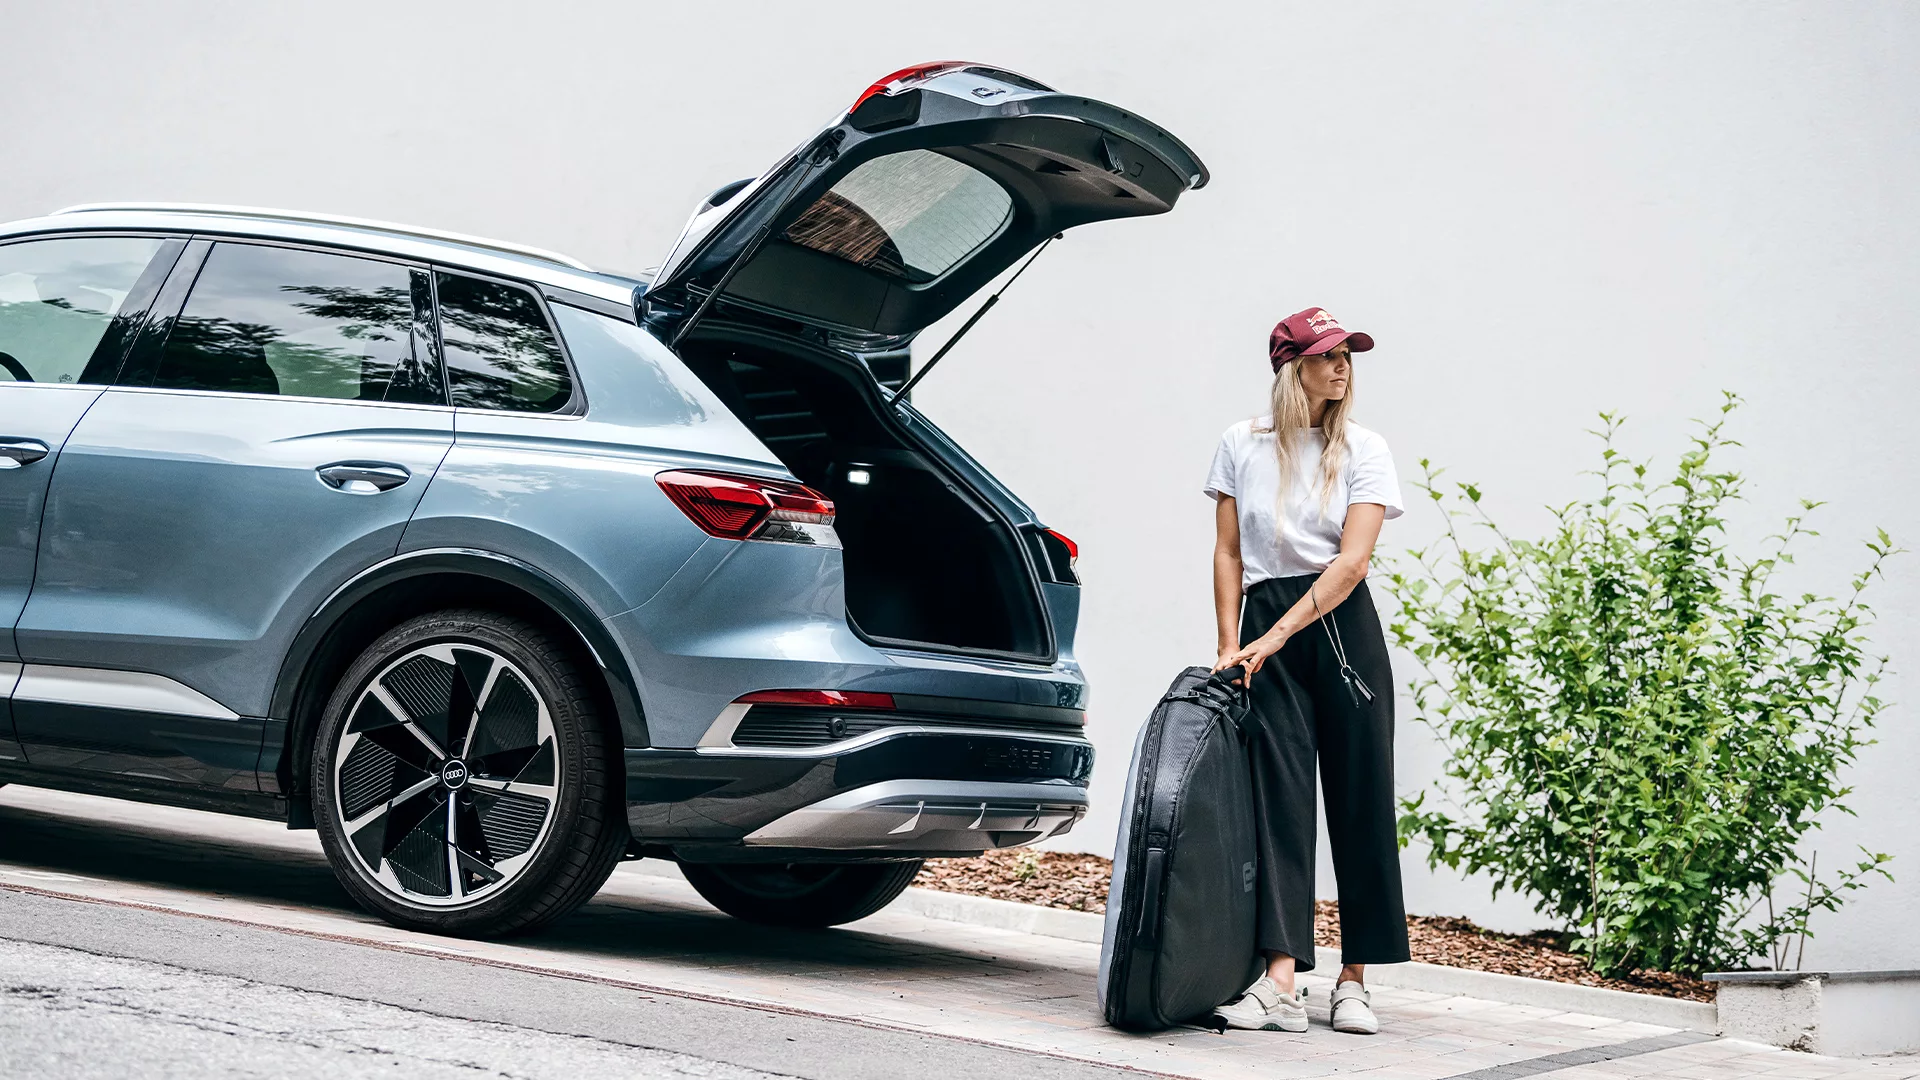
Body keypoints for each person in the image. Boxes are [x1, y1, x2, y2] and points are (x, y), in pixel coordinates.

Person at [1204, 307, 1411, 1035]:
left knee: (1360, 800)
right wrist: (1230, 644)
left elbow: (1352, 563)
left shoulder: (1365, 448)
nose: (1342, 367)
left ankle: (1355, 981)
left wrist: (1273, 638)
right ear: (1292, 368)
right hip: (1265, 627)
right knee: (1279, 802)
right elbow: (1229, 552)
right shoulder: (1241, 443)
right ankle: (1281, 980)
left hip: (1341, 629)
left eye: (1348, 355)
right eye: (1327, 356)